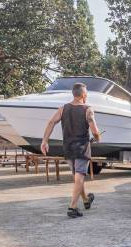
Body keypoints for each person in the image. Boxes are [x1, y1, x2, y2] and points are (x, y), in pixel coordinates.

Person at [41, 82, 101, 218]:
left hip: (68, 148)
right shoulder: (88, 109)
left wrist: (45, 140)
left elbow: (51, 122)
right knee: (79, 177)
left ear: (73, 94)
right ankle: (72, 207)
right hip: (81, 148)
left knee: (78, 177)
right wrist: (98, 137)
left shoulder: (63, 109)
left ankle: (86, 200)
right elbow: (95, 131)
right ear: (84, 94)